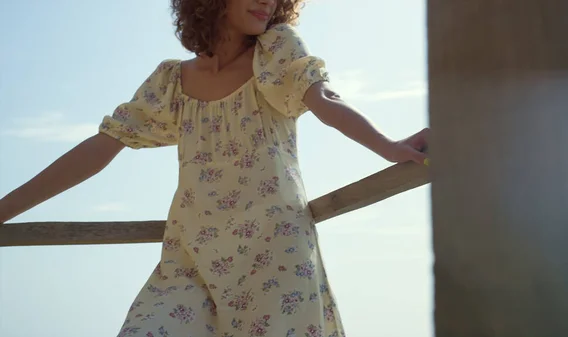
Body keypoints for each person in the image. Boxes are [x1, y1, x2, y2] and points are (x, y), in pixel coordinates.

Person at [0, 0, 430, 336]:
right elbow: (98, 149)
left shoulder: (275, 51)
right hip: (189, 258)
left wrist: (387, 147)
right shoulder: (169, 81)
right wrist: (4, 210)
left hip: (273, 254)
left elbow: (325, 100)